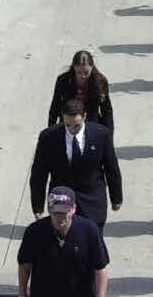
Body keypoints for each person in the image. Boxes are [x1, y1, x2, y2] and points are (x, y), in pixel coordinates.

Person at [17, 187, 109, 297]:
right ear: (49, 210)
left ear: (73, 209)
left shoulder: (89, 230)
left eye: (64, 212)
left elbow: (100, 269)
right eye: (56, 212)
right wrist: (23, 296)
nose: (60, 217)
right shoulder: (34, 232)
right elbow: (25, 266)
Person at [29, 99, 123, 232]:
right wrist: (38, 205)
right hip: (61, 202)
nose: (72, 130)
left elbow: (111, 167)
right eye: (68, 125)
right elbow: (39, 173)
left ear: (84, 116)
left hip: (92, 200)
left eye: (77, 125)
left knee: (92, 243)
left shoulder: (101, 134)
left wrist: (116, 197)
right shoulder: (48, 137)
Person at [46, 48, 114, 132]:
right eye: (79, 72)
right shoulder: (63, 80)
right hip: (68, 126)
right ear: (74, 68)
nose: (83, 76)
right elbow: (55, 106)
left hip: (91, 127)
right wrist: (50, 130)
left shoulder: (100, 82)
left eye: (86, 73)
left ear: (92, 67)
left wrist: (109, 136)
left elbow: (106, 111)